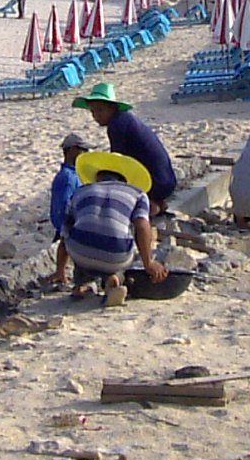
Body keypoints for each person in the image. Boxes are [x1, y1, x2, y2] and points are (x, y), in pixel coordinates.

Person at [53, 151, 168, 306]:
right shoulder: (138, 194)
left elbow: (64, 233)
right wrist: (149, 263)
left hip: (80, 252)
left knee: (81, 235)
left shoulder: (81, 191)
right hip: (116, 255)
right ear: (125, 179)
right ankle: (115, 278)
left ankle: (81, 285)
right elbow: (142, 225)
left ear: (97, 177)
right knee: (126, 246)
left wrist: (60, 271)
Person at [72, 81, 178, 213]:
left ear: (112, 108)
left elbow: (117, 163)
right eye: (93, 111)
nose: (96, 116)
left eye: (100, 110)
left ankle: (150, 206)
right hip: (166, 180)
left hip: (157, 183)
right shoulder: (125, 119)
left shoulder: (117, 125)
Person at [49, 132, 90, 238]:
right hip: (69, 234)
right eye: (83, 150)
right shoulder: (68, 177)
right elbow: (63, 209)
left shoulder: (72, 174)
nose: (86, 153)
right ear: (73, 150)